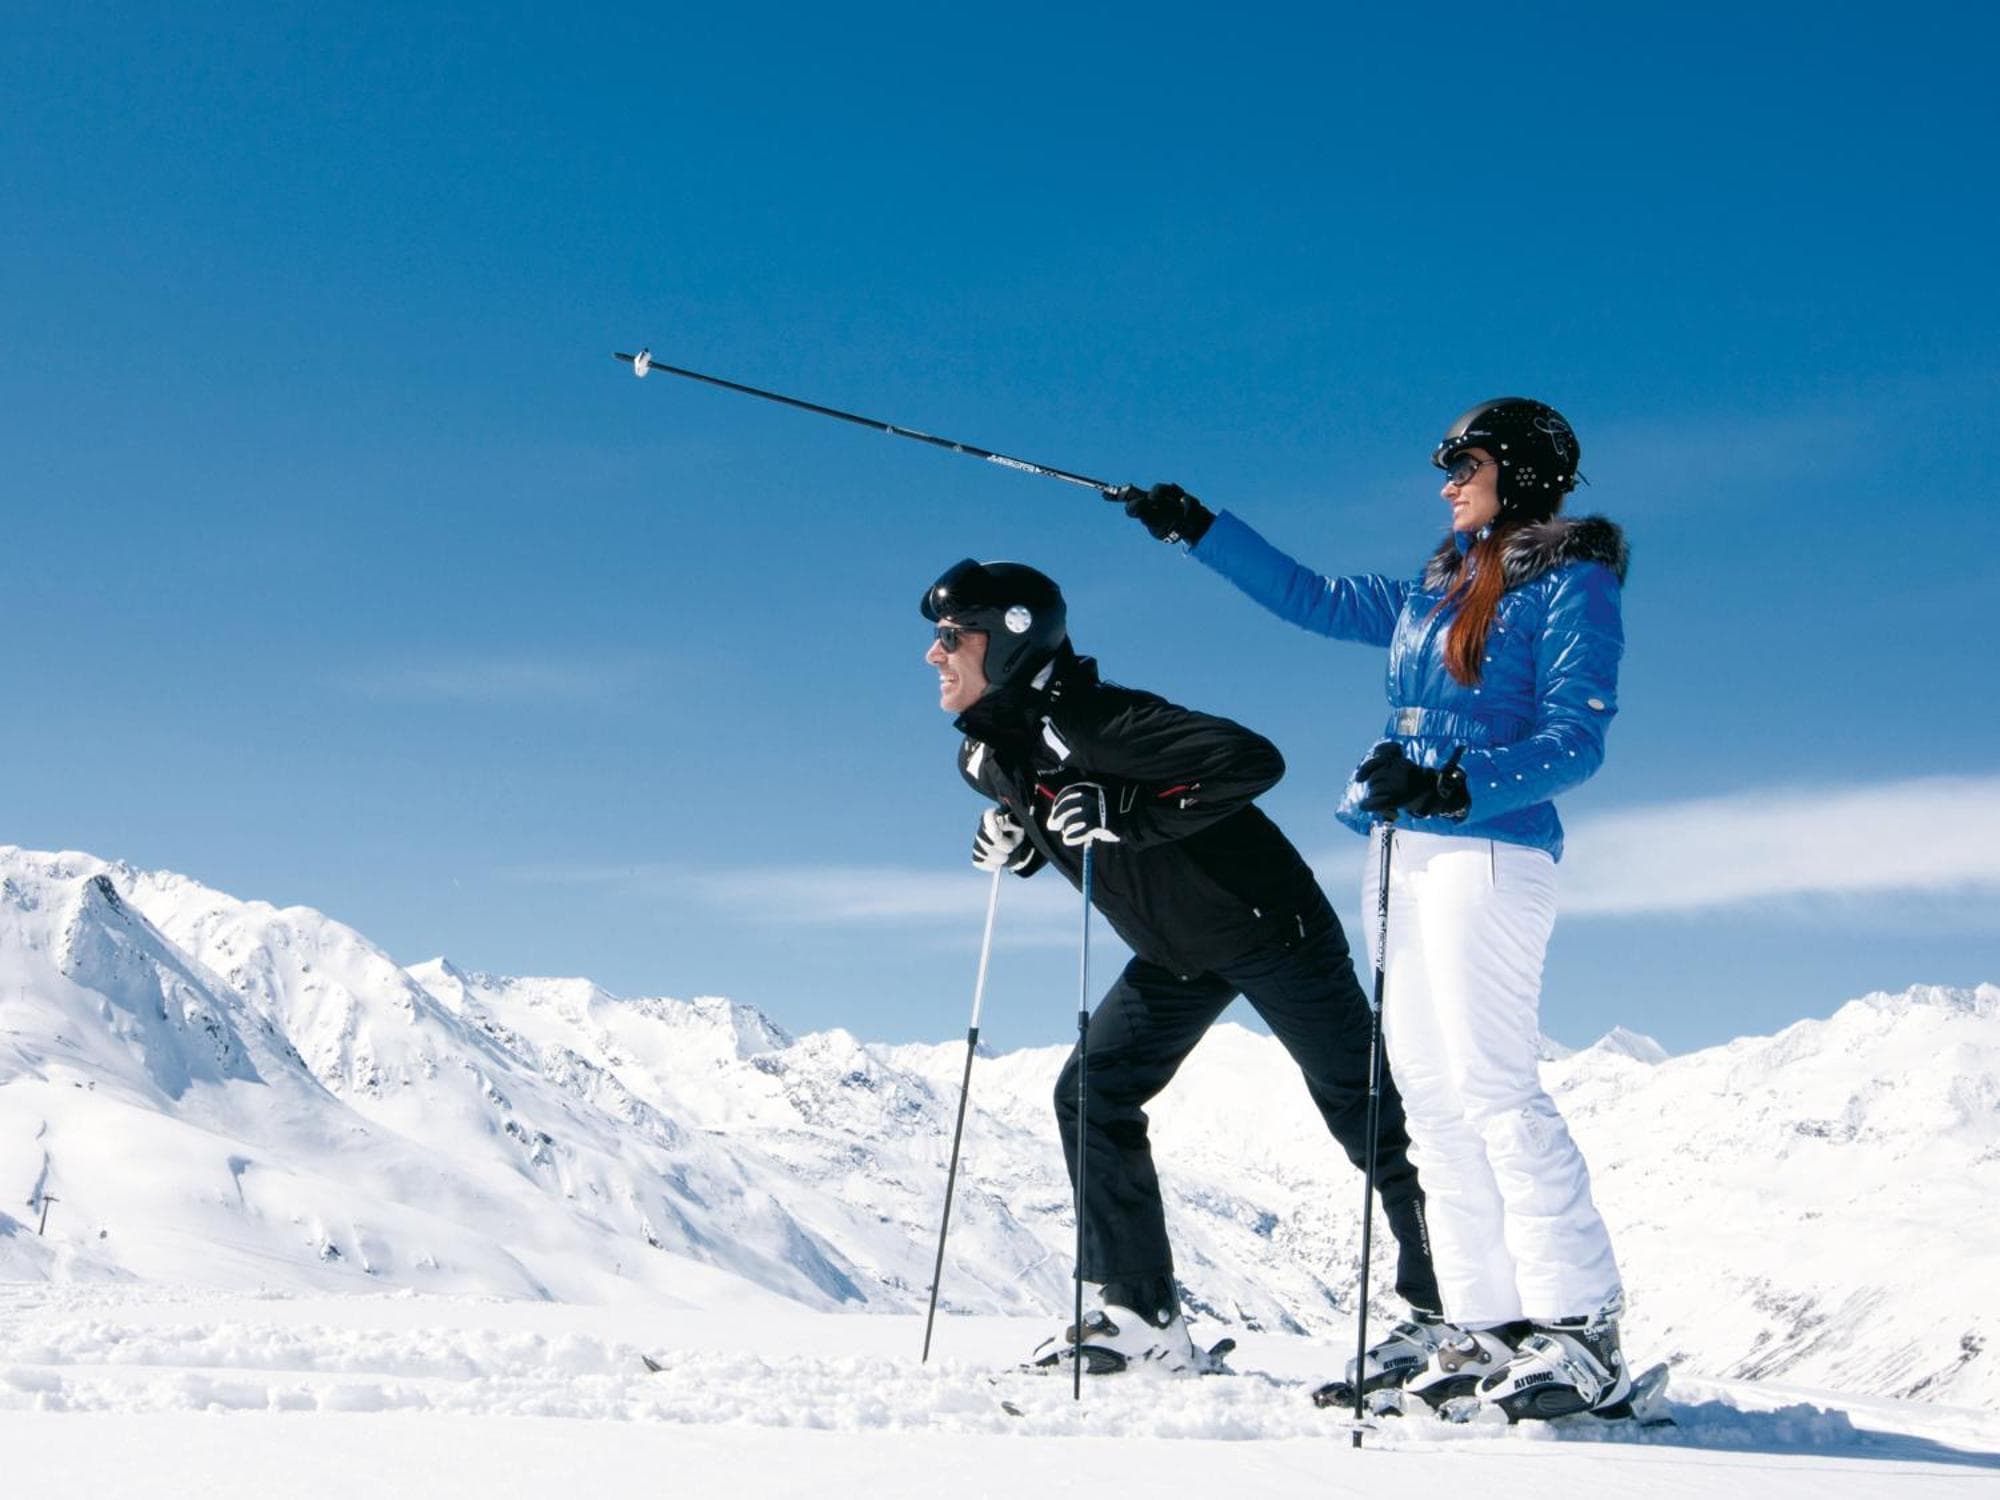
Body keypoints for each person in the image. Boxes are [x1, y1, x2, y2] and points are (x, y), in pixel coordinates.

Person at [1116, 398, 1634, 1419]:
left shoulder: (1571, 582)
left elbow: (1577, 737)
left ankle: (1583, 1329)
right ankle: (1483, 1323)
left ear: (1520, 473)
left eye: (1464, 463)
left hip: (1488, 847)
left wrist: (1452, 783)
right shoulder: (1435, 588)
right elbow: (1310, 596)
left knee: (1493, 1086)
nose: (1446, 482)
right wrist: (1197, 528)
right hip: (1402, 845)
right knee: (1430, 1100)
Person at [919, 557, 1441, 1377]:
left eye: (954, 636)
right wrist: (1018, 843)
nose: (935, 653)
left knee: (1367, 1111)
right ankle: (1142, 1318)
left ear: (1012, 641)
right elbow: (1056, 809)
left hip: (1268, 927)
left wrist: (1125, 810)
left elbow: (1251, 761)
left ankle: (1452, 1314)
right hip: (1175, 953)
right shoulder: (989, 758)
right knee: (1091, 1094)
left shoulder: (1099, 720)